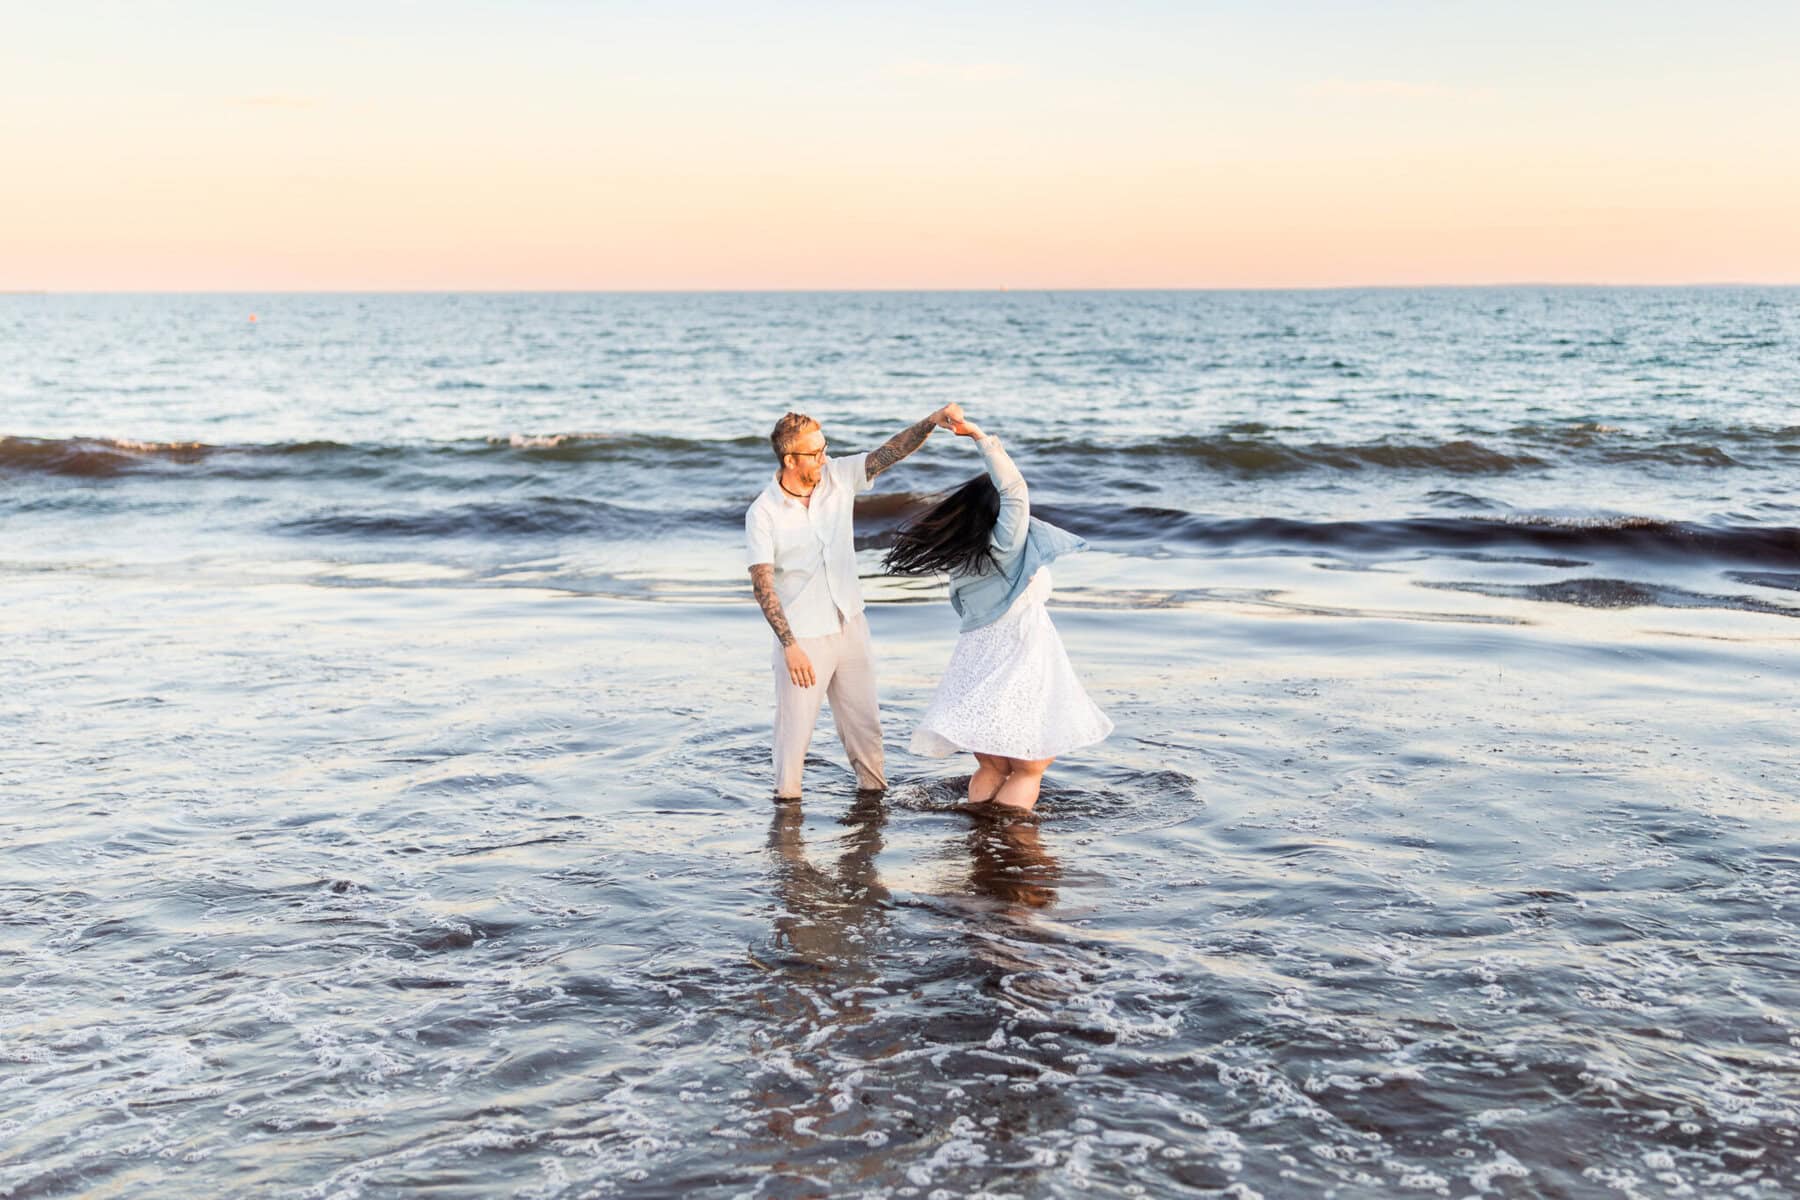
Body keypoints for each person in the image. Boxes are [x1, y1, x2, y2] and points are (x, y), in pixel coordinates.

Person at [882, 419, 1112, 811]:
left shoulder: (965, 557)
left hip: (977, 656)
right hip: (1017, 655)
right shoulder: (1004, 546)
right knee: (1031, 766)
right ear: (1000, 514)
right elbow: (1015, 489)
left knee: (992, 762)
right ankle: (1005, 840)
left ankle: (982, 836)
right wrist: (980, 438)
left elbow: (965, 608)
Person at [746, 405, 964, 801]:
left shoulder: (837, 477)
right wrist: (789, 646)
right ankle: (786, 835)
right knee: (793, 741)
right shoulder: (763, 513)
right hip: (803, 639)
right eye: (815, 453)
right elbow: (763, 586)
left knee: (866, 730)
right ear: (790, 459)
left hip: (850, 623)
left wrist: (932, 421)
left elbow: (890, 452)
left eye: (825, 447)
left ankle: (872, 816)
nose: (825, 457)